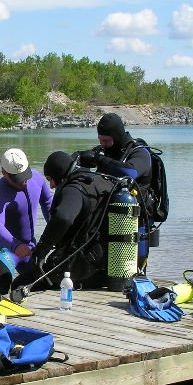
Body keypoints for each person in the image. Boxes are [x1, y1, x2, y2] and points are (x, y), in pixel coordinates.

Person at [25, 151, 118, 290]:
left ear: (60, 173)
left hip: (81, 266)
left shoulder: (74, 189)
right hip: (106, 265)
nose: (51, 185)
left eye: (50, 179)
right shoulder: (98, 180)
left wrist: (42, 249)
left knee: (21, 284)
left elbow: (63, 218)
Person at [76, 112, 153, 271]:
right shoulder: (106, 151)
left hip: (133, 222)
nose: (102, 144)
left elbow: (131, 173)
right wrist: (77, 158)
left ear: (117, 137)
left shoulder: (139, 153)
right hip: (110, 219)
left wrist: (98, 159)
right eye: (100, 140)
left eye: (106, 141)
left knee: (128, 270)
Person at [0, 148, 53, 294]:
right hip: (2, 248)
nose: (24, 182)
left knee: (41, 285)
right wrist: (15, 245)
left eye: (25, 175)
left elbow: (48, 203)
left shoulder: (37, 179)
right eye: (18, 179)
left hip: (29, 246)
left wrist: (56, 231)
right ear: (4, 173)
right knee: (0, 291)